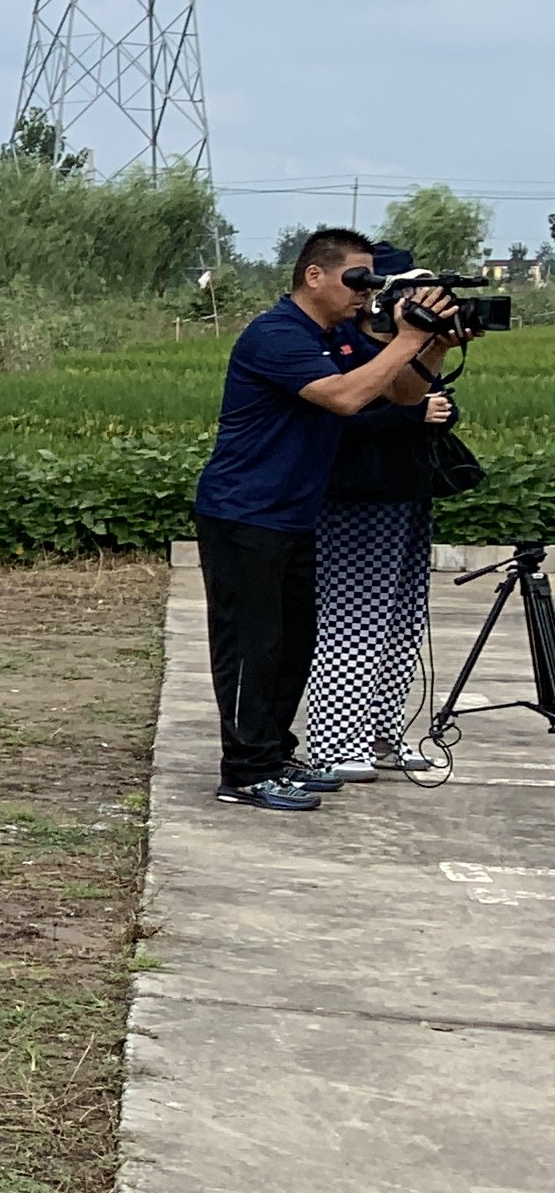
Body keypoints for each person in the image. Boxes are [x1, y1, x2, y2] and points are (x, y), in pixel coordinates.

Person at [195, 227, 453, 811]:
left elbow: (404, 395)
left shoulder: (334, 335)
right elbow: (343, 398)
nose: (364, 295)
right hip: (245, 513)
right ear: (314, 275)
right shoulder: (277, 334)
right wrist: (403, 337)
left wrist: (429, 343)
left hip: (294, 514)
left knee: (293, 644)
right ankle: (243, 772)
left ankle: (272, 752)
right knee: (251, 647)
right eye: (355, 280)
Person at [307, 242, 457, 784]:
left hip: (406, 492)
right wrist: (414, 413)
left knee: (400, 621)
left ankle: (383, 732)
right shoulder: (338, 343)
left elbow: (435, 404)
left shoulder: (409, 346)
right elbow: (342, 418)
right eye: (406, 293)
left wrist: (433, 353)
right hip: (352, 498)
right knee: (352, 621)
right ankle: (334, 741)